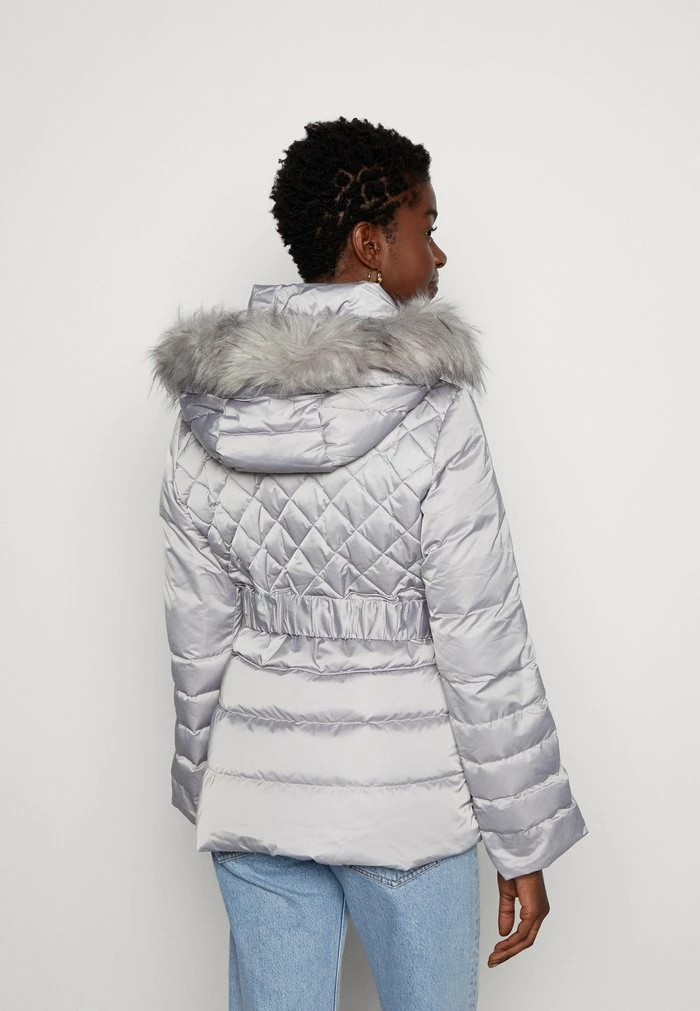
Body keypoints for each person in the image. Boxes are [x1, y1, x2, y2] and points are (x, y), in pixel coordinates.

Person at [148, 117, 588, 1011]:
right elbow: (482, 641)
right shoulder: (434, 411)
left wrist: (211, 778)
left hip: (260, 799)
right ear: (370, 243)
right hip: (407, 803)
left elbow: (197, 636)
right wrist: (523, 838)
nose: (441, 252)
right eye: (428, 225)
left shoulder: (211, 413)